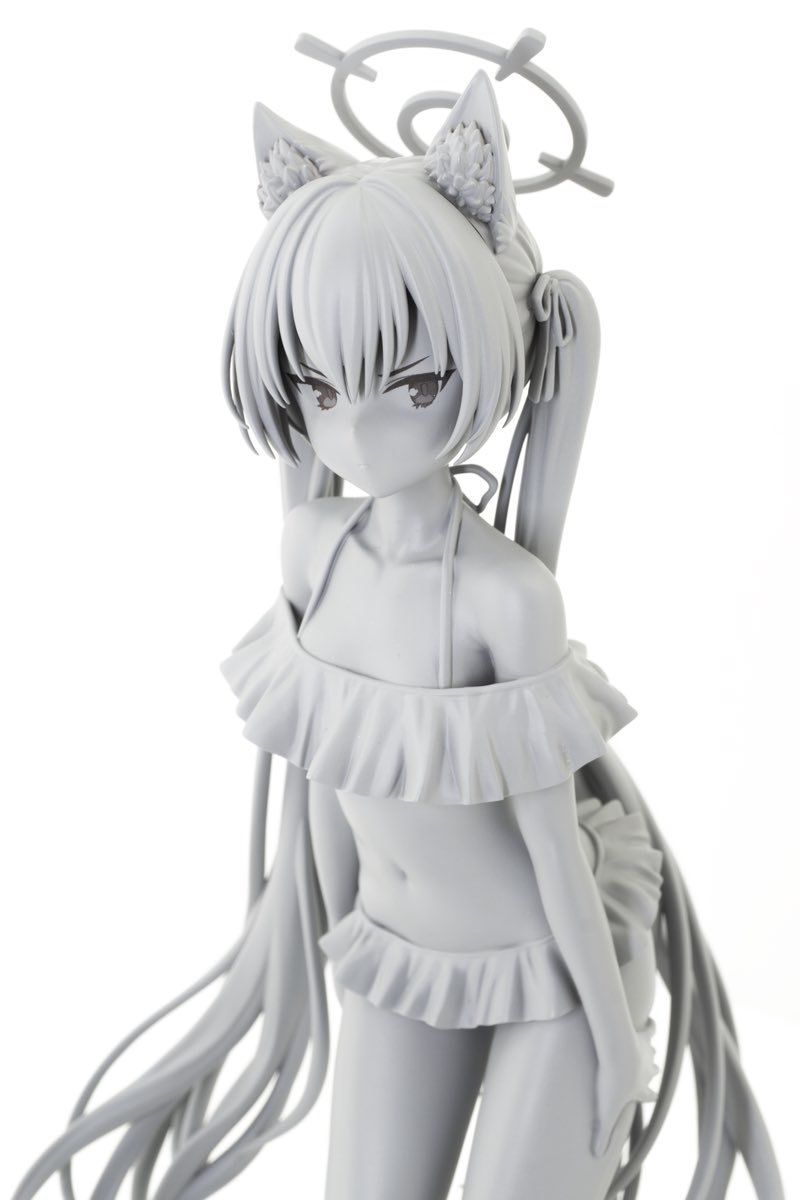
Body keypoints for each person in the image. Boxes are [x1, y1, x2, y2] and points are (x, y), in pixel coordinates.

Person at [11, 63, 783, 1200]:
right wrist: (326, 940)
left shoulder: (506, 599)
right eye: (322, 390)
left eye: (409, 384)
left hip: (553, 978)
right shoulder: (310, 551)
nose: (360, 430)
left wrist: (617, 1038)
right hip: (390, 957)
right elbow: (327, 770)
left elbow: (551, 844)